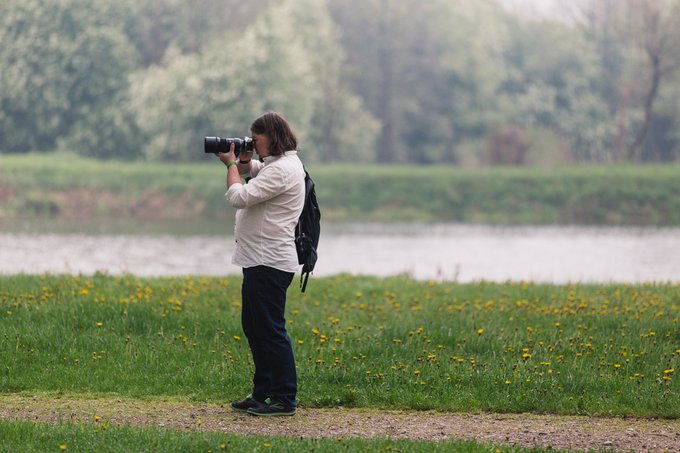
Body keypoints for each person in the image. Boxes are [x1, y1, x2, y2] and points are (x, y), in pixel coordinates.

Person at [215, 112, 305, 416]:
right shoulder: (279, 165)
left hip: (269, 262)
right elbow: (256, 170)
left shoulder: (282, 170)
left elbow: (239, 196)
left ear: (273, 136)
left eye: (256, 139)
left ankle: (284, 398)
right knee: (255, 327)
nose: (252, 143)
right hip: (259, 260)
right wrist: (243, 160)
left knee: (269, 330)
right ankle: (262, 393)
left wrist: (229, 165)